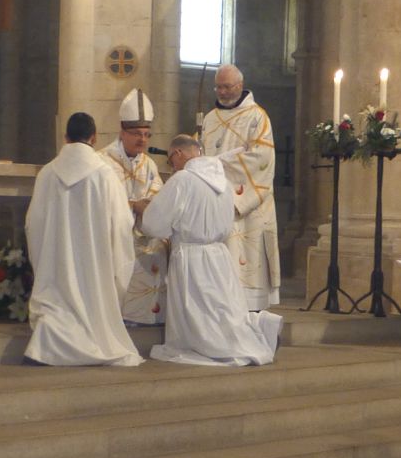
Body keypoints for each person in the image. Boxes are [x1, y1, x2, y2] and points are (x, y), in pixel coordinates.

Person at [142, 135, 282, 366]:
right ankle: (259, 330)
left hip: (190, 256)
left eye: (170, 160)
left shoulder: (183, 180)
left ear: (178, 154)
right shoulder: (224, 182)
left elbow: (153, 224)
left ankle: (214, 344)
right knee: (221, 311)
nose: (172, 166)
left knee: (199, 316)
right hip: (219, 256)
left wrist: (143, 209)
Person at [24, 112, 143, 367]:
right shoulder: (105, 174)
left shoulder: (47, 173)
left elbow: (33, 224)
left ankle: (51, 339)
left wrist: (43, 256)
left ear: (65, 137)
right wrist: (117, 263)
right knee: (95, 301)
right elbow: (122, 223)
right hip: (95, 264)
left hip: (56, 263)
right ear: (94, 137)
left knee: (55, 306)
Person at [200, 64, 280, 310]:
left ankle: (250, 311)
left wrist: (217, 165)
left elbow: (262, 159)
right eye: (218, 87)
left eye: (227, 87)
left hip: (247, 204)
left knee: (246, 257)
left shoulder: (257, 117)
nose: (222, 92)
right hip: (215, 199)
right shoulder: (210, 118)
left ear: (240, 86)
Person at [99, 88, 167, 325]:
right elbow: (100, 201)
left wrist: (148, 205)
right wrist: (132, 206)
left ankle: (148, 317)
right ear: (122, 131)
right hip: (113, 232)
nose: (143, 140)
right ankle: (116, 317)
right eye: (137, 133)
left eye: (147, 134)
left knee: (160, 248)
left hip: (142, 231)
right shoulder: (102, 161)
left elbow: (157, 193)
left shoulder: (148, 164)